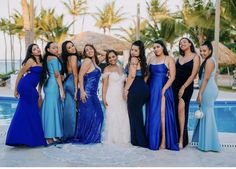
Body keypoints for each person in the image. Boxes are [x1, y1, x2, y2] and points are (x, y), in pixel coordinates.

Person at [6, 44, 47, 147]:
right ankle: (32, 138)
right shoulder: (30, 61)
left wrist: (39, 91)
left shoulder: (42, 62)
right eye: (34, 49)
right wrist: (15, 89)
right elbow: (20, 74)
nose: (37, 50)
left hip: (31, 87)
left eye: (37, 48)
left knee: (25, 110)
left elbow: (41, 80)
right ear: (31, 52)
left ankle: (21, 138)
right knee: (31, 109)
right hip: (25, 85)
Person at [146, 40, 179, 151]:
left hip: (163, 88)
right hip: (152, 89)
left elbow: (173, 76)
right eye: (154, 47)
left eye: (158, 47)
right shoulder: (151, 59)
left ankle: (164, 141)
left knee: (162, 114)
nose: (156, 49)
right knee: (153, 113)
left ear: (163, 47)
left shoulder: (168, 59)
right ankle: (153, 139)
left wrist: (164, 89)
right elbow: (148, 75)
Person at [192, 41, 220, 152]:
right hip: (207, 89)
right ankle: (205, 143)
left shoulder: (209, 61)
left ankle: (210, 144)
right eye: (201, 50)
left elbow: (206, 78)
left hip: (208, 90)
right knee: (205, 114)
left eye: (205, 51)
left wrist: (200, 93)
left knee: (207, 114)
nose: (202, 53)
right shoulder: (207, 61)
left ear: (210, 51)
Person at [172, 37, 200, 149]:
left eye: (184, 42)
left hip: (187, 86)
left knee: (181, 110)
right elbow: (173, 73)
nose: (182, 44)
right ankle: (175, 137)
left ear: (189, 44)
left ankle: (181, 140)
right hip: (175, 86)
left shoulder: (195, 57)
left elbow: (193, 75)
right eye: (180, 43)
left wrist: (183, 87)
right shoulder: (178, 58)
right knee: (175, 111)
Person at [74, 44, 104, 144]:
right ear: (85, 54)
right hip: (87, 92)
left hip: (93, 93)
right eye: (87, 50)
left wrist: (94, 49)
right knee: (89, 115)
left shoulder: (95, 62)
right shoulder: (87, 61)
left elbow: (104, 54)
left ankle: (92, 136)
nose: (89, 51)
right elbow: (80, 75)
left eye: (90, 49)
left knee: (98, 114)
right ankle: (88, 137)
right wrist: (82, 91)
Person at [123, 40, 149, 148]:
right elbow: (146, 76)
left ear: (140, 51)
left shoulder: (133, 60)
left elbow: (132, 76)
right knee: (137, 114)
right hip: (143, 87)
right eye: (132, 49)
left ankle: (139, 141)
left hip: (135, 87)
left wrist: (125, 89)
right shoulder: (142, 61)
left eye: (135, 50)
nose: (133, 52)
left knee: (134, 114)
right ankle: (138, 139)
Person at [102, 50, 130, 145]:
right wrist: (104, 98)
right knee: (112, 116)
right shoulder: (107, 69)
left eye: (113, 56)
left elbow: (125, 84)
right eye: (109, 58)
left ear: (117, 57)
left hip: (121, 97)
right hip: (111, 95)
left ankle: (123, 138)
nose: (111, 59)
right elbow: (105, 85)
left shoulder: (122, 68)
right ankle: (112, 138)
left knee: (123, 115)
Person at [40, 42, 65, 145]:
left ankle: (51, 135)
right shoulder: (54, 59)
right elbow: (57, 75)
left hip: (49, 85)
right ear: (48, 49)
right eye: (53, 48)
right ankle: (49, 137)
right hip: (53, 85)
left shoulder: (47, 58)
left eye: (57, 47)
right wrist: (62, 89)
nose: (56, 49)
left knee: (50, 109)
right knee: (52, 110)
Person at [61, 41, 81, 142]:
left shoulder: (68, 58)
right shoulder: (73, 57)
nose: (72, 48)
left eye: (72, 45)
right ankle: (70, 134)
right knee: (72, 109)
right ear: (66, 50)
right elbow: (75, 74)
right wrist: (77, 89)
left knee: (69, 108)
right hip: (72, 82)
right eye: (69, 48)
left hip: (67, 82)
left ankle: (68, 132)